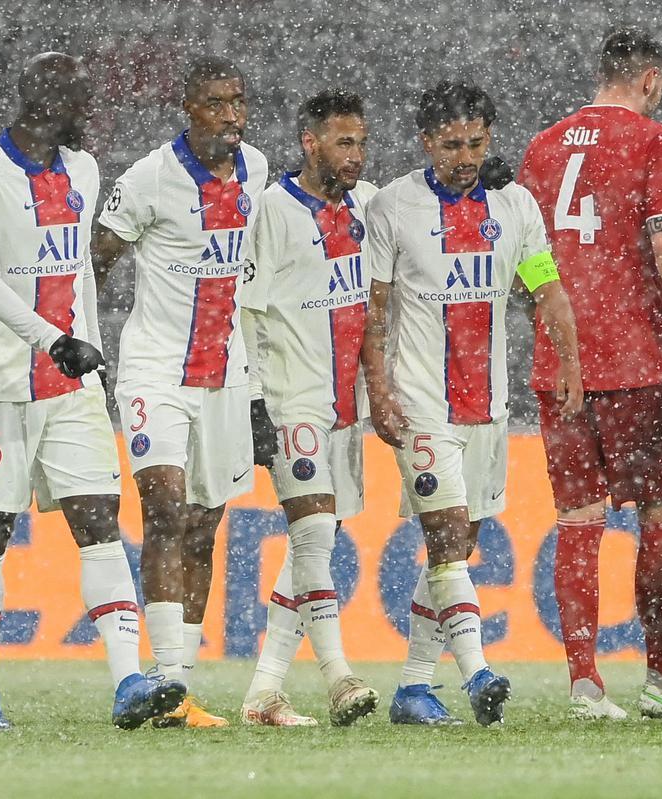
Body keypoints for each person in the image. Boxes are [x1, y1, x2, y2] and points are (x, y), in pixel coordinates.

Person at [0, 52, 184, 732]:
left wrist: (90, 350)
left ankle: (128, 682)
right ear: (41, 100)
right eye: (77, 96)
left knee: (99, 522)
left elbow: (77, 267)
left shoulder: (82, 168)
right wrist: (52, 338)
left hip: (74, 381)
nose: (88, 107)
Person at [518, 28, 662, 722]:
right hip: (637, 360)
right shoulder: (655, 140)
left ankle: (584, 682)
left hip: (565, 366)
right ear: (650, 80)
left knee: (578, 520)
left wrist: (552, 337)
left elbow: (523, 260)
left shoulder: (543, 147)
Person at [363, 80, 583, 726]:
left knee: (454, 548)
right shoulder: (393, 207)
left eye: (476, 143)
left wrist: (570, 361)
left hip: (486, 405)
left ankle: (411, 688)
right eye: (452, 144)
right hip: (421, 402)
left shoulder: (514, 206)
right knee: (449, 537)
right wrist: (379, 388)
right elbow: (374, 312)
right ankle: (477, 670)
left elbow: (547, 289)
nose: (464, 155)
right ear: (427, 142)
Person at [92, 57, 267, 729]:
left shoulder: (254, 167)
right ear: (187, 108)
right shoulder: (148, 179)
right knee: (164, 508)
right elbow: (97, 261)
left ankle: (179, 694)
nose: (231, 114)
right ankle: (162, 678)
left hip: (223, 374)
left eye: (238, 101)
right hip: (156, 367)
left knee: (204, 522)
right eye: (216, 103)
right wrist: (80, 346)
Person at [236, 89, 380, 727]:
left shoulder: (370, 205)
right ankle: (339, 677)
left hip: (347, 406)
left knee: (311, 547)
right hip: (294, 398)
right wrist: (255, 399)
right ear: (309, 143)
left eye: (361, 142)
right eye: (343, 142)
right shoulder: (271, 211)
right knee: (316, 532)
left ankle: (264, 692)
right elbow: (246, 310)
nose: (355, 155)